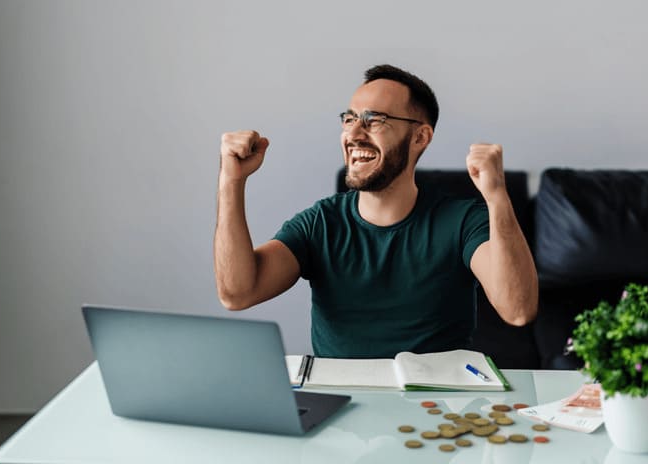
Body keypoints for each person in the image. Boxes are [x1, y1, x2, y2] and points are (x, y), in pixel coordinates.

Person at [214, 64, 538, 358]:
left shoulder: (463, 221)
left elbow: (518, 310)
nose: (354, 134)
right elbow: (238, 294)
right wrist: (231, 180)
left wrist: (497, 196)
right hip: (340, 407)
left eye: (374, 121)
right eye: (350, 119)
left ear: (420, 137)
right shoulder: (320, 223)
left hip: (437, 408)